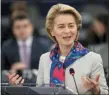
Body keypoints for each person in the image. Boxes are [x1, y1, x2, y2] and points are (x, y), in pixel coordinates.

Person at [7, 4, 108, 94]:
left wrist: (97, 91)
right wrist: (18, 90)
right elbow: (38, 92)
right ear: (52, 31)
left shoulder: (93, 59)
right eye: (61, 27)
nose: (67, 31)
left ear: (77, 29)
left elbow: (104, 92)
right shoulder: (44, 59)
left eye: (71, 26)